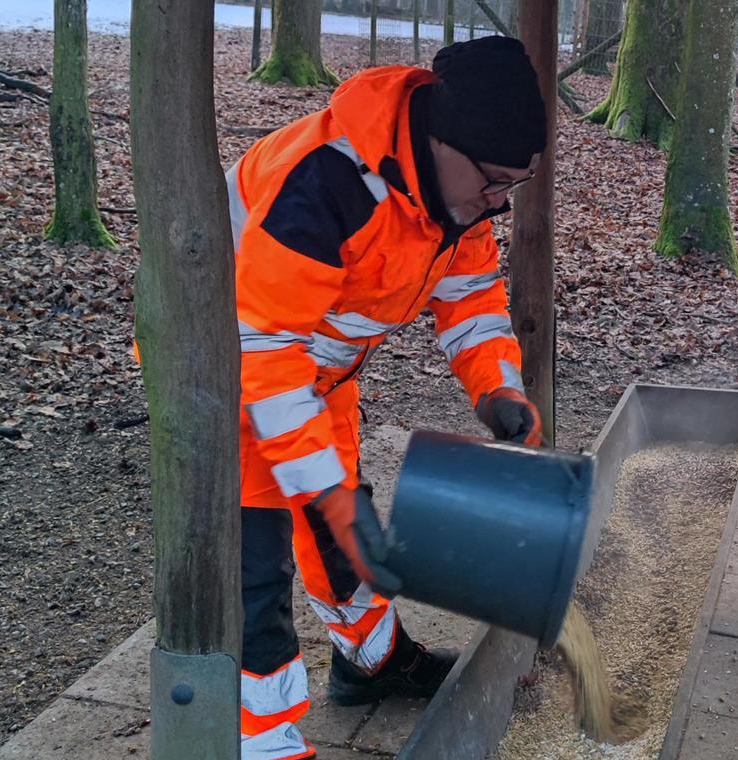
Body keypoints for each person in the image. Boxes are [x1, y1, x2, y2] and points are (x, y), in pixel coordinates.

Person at [226, 36, 548, 760]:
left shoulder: (452, 198)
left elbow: (472, 301)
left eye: (513, 187)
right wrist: (329, 495)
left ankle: (369, 664)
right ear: (443, 141)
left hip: (316, 377)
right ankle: (258, 743)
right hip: (226, 373)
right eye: (495, 181)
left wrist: (497, 389)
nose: (499, 202)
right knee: (253, 575)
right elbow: (263, 352)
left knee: (346, 540)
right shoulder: (324, 183)